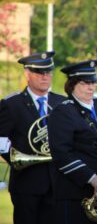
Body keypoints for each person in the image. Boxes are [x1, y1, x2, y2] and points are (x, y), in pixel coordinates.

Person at [0, 51, 65, 224]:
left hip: (58, 183)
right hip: (26, 183)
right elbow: (0, 138)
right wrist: (16, 159)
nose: (45, 77)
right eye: (39, 73)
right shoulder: (11, 104)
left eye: (48, 72)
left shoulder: (62, 103)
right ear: (27, 74)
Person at [48, 60, 97, 224]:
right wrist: (92, 178)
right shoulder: (63, 110)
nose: (91, 87)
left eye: (94, 82)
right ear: (72, 85)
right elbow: (61, 154)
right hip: (76, 192)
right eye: (85, 83)